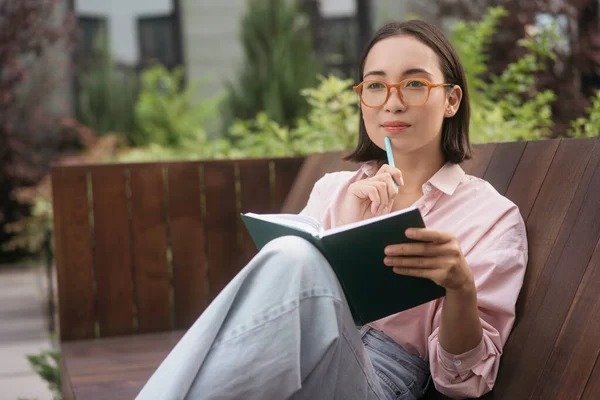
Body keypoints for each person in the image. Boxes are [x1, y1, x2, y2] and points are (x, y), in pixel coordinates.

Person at [137, 19, 527, 400]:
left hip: (384, 378)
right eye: (375, 85)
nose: (392, 102)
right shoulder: (334, 191)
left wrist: (460, 288)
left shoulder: (491, 217)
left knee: (293, 255)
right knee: (290, 259)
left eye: (414, 84)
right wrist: (345, 227)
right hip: (294, 355)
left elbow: (461, 384)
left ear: (451, 100)